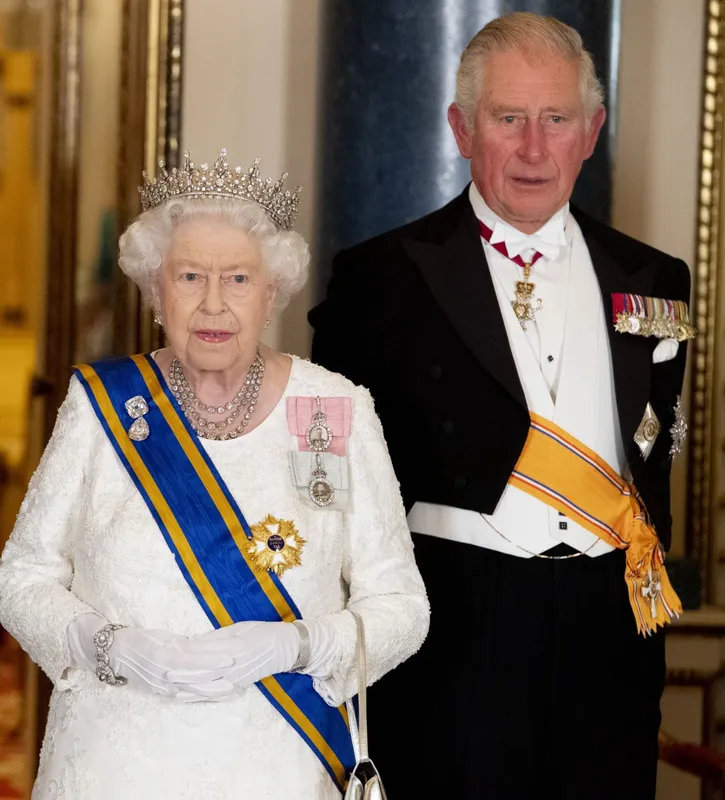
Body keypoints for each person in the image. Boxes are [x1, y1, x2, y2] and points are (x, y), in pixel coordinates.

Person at [309, 13, 692, 800]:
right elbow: (330, 476)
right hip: (454, 624)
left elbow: (658, 444)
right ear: (459, 127)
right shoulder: (381, 277)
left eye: (555, 120)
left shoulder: (653, 279)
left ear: (591, 131)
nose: (532, 147)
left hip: (605, 633)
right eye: (507, 118)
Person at [0, 149, 429, 799]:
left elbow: (401, 607)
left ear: (271, 291)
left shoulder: (330, 409)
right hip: (110, 765)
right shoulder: (103, 405)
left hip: (277, 765)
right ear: (155, 291)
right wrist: (105, 645)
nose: (211, 304)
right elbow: (21, 577)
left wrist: (296, 645)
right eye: (189, 276)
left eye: (236, 279)